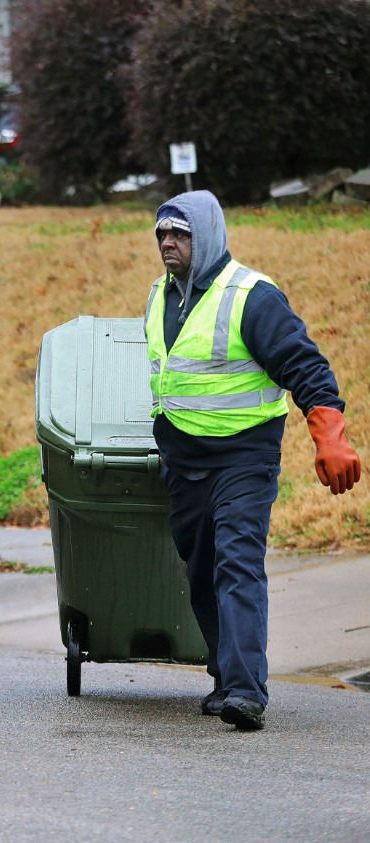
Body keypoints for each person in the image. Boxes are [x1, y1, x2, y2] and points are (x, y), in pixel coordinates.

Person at [144, 190, 361, 731]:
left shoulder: (251, 297)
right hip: (185, 461)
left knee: (236, 567)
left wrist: (328, 434)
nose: (168, 243)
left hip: (244, 459)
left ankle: (246, 691)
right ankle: (225, 679)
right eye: (161, 234)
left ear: (207, 236)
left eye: (180, 234)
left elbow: (306, 368)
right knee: (199, 575)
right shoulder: (160, 295)